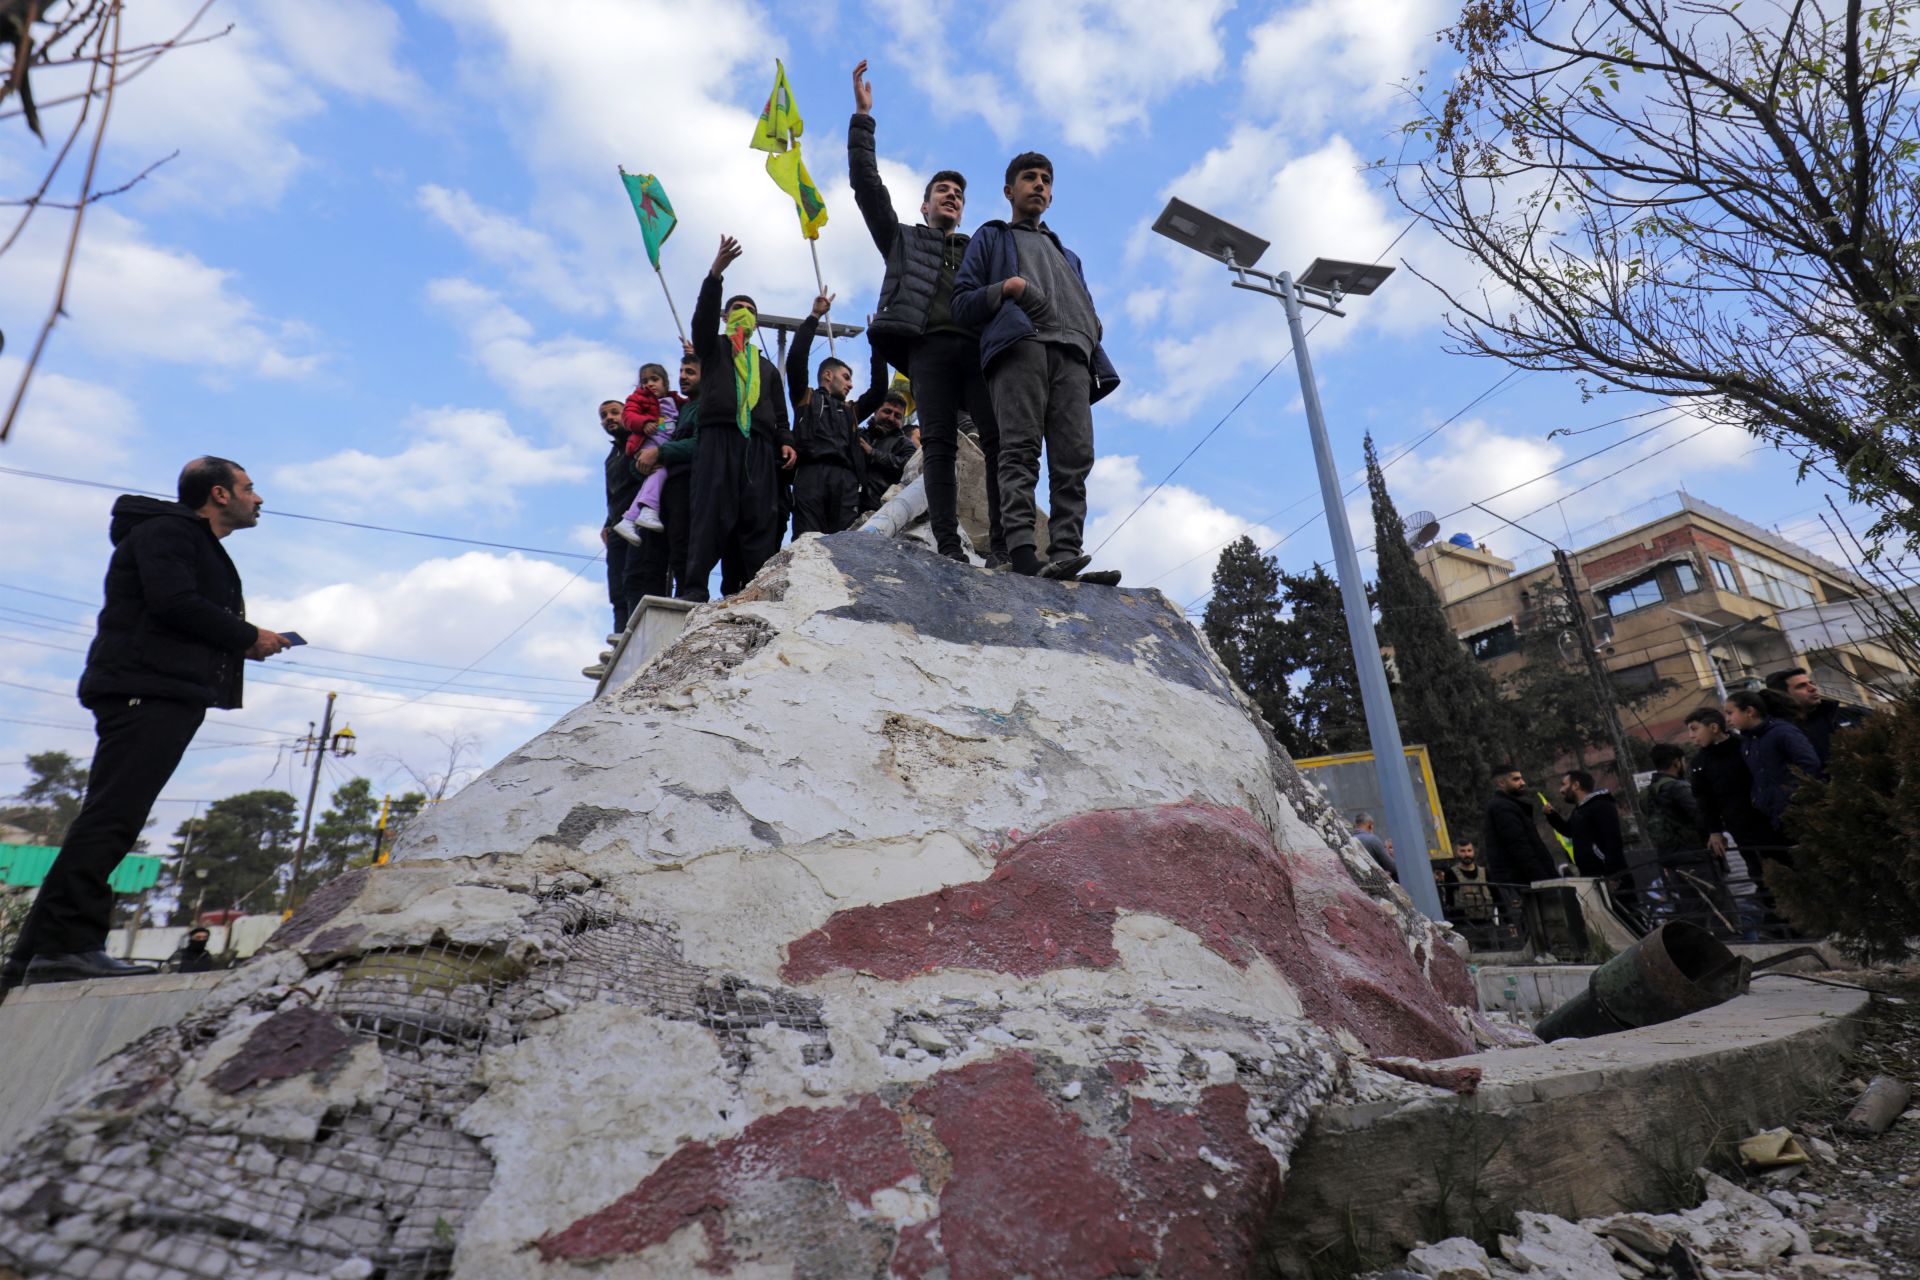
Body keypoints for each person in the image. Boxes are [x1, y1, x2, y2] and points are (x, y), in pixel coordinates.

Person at [2, 459, 291, 994]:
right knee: (111, 821)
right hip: (148, 689)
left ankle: (31, 959)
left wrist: (242, 640)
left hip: (159, 689)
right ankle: (67, 948)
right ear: (220, 494)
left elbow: (179, 610)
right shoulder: (170, 533)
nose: (260, 498)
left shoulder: (189, 541)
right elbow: (174, 603)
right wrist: (247, 635)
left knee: (109, 818)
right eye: (251, 488)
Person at [848, 59, 1009, 567]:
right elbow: (866, 186)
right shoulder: (902, 240)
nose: (953, 197)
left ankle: (1006, 545)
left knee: (1001, 444)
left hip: (980, 355)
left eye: (959, 195)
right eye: (944, 190)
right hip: (929, 352)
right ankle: (946, 545)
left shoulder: (980, 248)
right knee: (938, 446)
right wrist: (863, 120)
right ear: (924, 205)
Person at [951, 150, 1122, 585]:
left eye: (1046, 179)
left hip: (1075, 359)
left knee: (1075, 459)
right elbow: (962, 302)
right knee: (1020, 451)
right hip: (1021, 348)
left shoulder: (1069, 255)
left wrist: (1091, 327)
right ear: (1010, 190)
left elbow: (1084, 303)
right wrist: (1007, 288)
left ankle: (1067, 554)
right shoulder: (990, 238)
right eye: (1030, 177)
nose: (1040, 184)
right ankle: (1025, 553)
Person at [679, 236, 797, 603]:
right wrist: (715, 275)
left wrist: (786, 441)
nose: (743, 312)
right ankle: (695, 589)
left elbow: (780, 413)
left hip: (759, 449)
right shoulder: (712, 350)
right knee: (711, 512)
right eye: (737, 308)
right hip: (718, 440)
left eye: (749, 309)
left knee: (756, 519)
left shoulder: (766, 367)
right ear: (726, 316)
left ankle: (744, 592)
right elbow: (700, 320)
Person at [787, 289, 887, 537]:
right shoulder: (805, 398)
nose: (851, 384)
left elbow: (878, 391)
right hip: (810, 476)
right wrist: (814, 317)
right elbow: (796, 359)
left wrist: (876, 345)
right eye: (846, 377)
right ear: (827, 375)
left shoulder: (851, 411)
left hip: (846, 482)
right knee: (807, 542)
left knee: (843, 548)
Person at [634, 349, 702, 598]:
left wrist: (661, 453)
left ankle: (684, 599)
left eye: (691, 372)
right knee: (653, 556)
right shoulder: (675, 409)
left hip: (685, 487)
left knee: (681, 548)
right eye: (682, 372)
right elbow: (648, 443)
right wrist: (642, 462)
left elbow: (699, 443)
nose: (683, 377)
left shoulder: (702, 408)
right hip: (661, 491)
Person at [1685, 706, 1778, 883]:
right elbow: (1704, 800)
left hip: (1769, 817)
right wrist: (1714, 830)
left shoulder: (1747, 746)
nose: (1691, 736)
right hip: (1739, 825)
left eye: (1695, 729)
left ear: (1714, 727)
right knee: (1757, 871)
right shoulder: (1700, 763)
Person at [1725, 690, 1821, 859]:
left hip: (1801, 812)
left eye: (1730, 713)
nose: (1728, 719)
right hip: (1773, 816)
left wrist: (1791, 794)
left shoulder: (1782, 732)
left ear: (1749, 711)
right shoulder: (1748, 742)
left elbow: (1809, 764)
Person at [613, 363, 686, 543]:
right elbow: (628, 416)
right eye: (645, 381)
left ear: (665, 382)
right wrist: (644, 423)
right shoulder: (639, 399)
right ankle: (649, 509)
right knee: (659, 472)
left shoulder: (675, 401)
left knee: (655, 476)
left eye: (655, 379)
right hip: (648, 444)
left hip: (663, 445)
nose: (650, 384)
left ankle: (629, 519)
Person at [1765, 667, 1871, 769]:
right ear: (1783, 695)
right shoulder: (1777, 732)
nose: (1813, 688)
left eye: (1811, 683)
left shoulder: (1851, 714)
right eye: (1801, 686)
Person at [598, 398, 642, 632]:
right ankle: (619, 637)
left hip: (637, 523)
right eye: (604, 416)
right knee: (616, 587)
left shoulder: (638, 444)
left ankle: (633, 635)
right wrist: (607, 523)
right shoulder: (610, 457)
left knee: (634, 581)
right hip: (616, 527)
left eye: (614, 412)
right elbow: (611, 495)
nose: (609, 418)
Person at [1483, 764, 1564, 885]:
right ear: (1501, 783)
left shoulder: (1508, 805)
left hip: (1522, 879)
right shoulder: (1502, 807)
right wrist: (1541, 879)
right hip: (1521, 881)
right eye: (1516, 779)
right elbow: (1519, 846)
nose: (1523, 783)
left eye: (1521, 778)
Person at [1546, 769, 1627, 881]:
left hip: (1608, 876)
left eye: (1564, 785)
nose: (1561, 790)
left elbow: (1613, 842)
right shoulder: (1580, 810)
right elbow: (1569, 831)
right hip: (1592, 876)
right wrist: (1552, 816)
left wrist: (1613, 876)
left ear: (1576, 785)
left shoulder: (1601, 806)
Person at [859, 389, 918, 510]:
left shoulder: (904, 443)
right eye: (887, 411)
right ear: (875, 411)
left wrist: (873, 453)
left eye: (897, 416)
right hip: (845, 506)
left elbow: (910, 467)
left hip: (877, 511)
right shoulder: (858, 434)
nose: (891, 418)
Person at [1645, 744, 1706, 855]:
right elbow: (1701, 815)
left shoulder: (1648, 791)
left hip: (1666, 854)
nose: (1685, 765)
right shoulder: (1679, 787)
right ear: (1676, 763)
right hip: (1694, 853)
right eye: (1684, 761)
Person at [1442, 840, 1497, 924]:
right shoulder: (1451, 874)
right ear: (1456, 853)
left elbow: (1496, 895)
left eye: (1469, 850)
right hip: (1464, 924)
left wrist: (1509, 922)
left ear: (1473, 852)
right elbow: (1450, 900)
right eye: (1462, 851)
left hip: (1487, 921)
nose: (1467, 854)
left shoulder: (1485, 872)